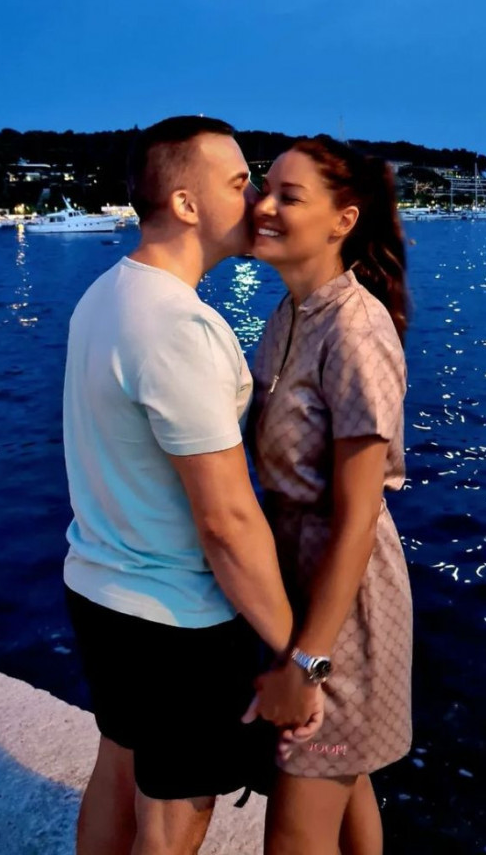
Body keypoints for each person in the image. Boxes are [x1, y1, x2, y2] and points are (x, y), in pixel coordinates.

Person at [61, 116, 322, 855]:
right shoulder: (179, 326)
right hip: (173, 621)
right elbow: (226, 521)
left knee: (118, 766)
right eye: (240, 183)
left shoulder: (106, 295)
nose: (258, 200)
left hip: (99, 588)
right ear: (185, 203)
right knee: (178, 811)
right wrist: (297, 655)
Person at [247, 135, 413, 855]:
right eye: (264, 189)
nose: (263, 206)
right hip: (301, 590)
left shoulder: (354, 327)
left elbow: (357, 518)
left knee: (295, 832)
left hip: (344, 610)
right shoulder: (289, 316)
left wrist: (306, 662)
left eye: (288, 196)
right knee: (348, 790)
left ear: (342, 221)